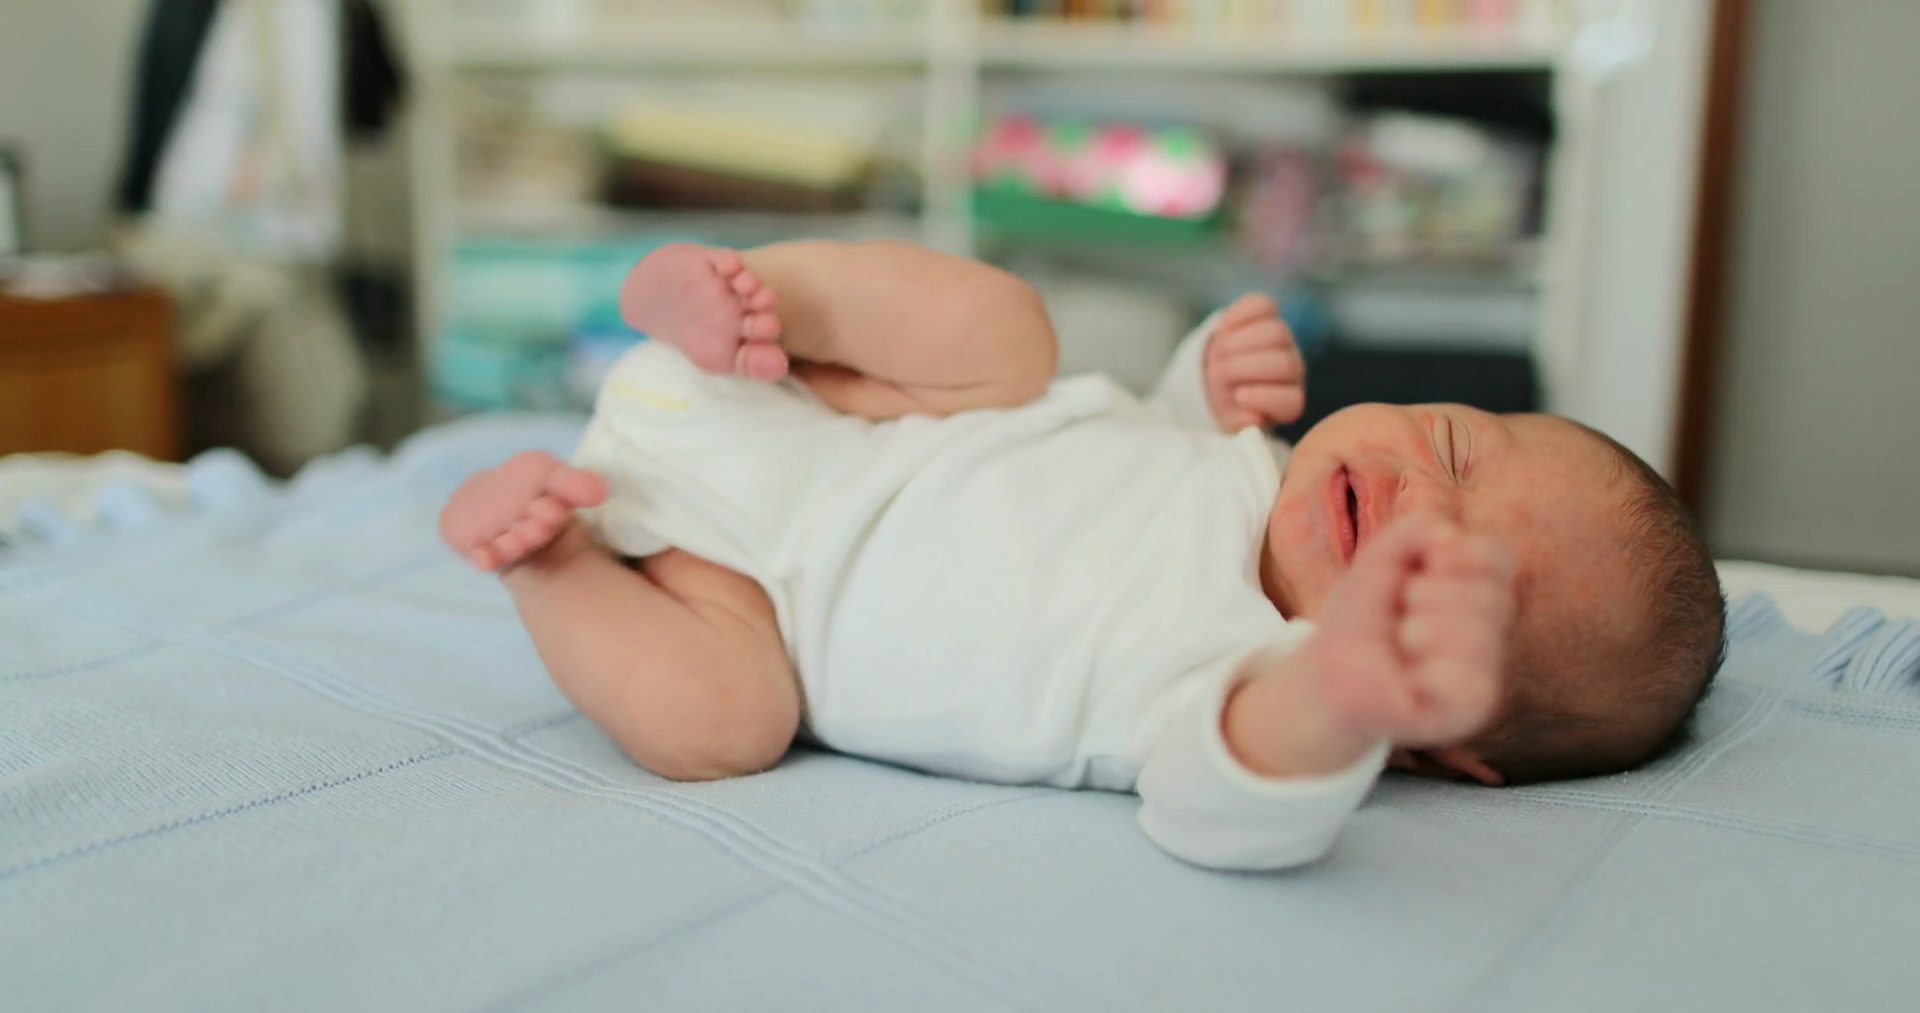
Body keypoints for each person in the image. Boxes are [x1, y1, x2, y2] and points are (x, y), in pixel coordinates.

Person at [439, 241, 1726, 870]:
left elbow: (1221, 799)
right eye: (1453, 442)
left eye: (1458, 579)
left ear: (1445, 740)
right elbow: (1126, 456)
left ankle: (543, 554)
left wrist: (1338, 689)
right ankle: (755, 292)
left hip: (731, 595)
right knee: (1014, 332)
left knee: (721, 720)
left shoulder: (1251, 681)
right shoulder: (1240, 460)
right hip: (822, 406)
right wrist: (1198, 379)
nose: (1415, 502)